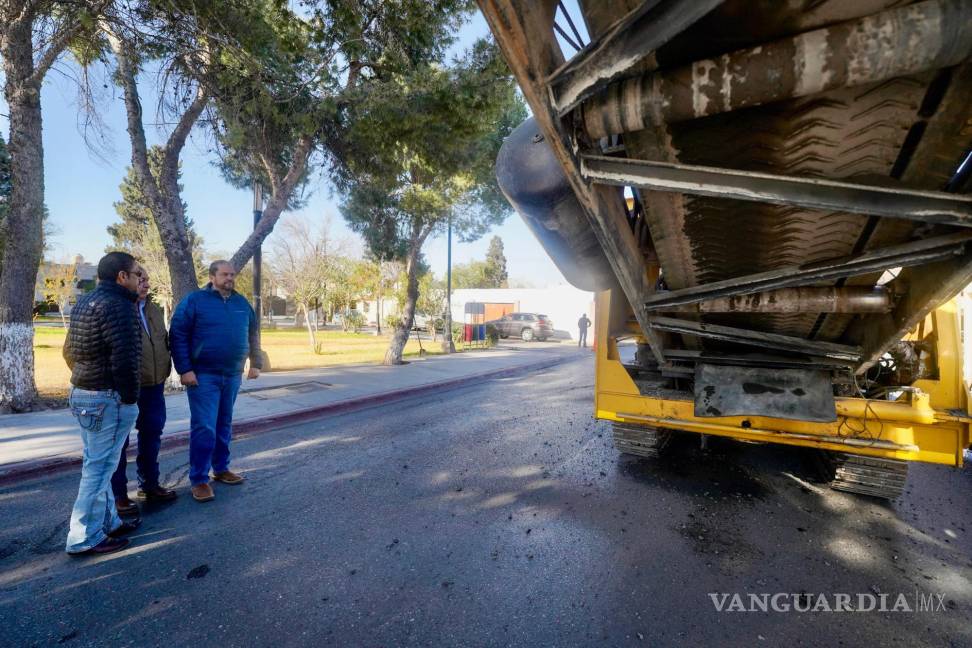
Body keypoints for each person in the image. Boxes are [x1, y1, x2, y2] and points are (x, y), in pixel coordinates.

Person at [62, 252, 143, 555]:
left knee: (99, 464)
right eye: (136, 274)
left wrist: (86, 376)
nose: (139, 280)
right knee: (98, 469)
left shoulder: (86, 301)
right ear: (121, 276)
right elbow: (125, 360)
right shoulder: (120, 305)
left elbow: (68, 351)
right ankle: (83, 537)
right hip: (107, 397)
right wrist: (130, 398)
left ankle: (108, 521)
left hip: (84, 392)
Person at [170, 260, 262, 503]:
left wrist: (256, 362)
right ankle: (199, 479)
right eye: (225, 274)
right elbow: (178, 333)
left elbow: (253, 333)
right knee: (205, 427)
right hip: (203, 376)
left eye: (232, 274)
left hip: (232, 374)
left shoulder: (241, 303)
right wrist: (184, 369)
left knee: (224, 424)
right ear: (212, 277)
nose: (230, 278)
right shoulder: (194, 301)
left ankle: (221, 468)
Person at [110, 266, 177, 514]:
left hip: (154, 387)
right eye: (141, 278)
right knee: (119, 444)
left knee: (151, 438)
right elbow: (76, 352)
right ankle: (118, 495)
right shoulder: (114, 308)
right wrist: (108, 380)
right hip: (123, 391)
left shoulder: (153, 310)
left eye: (148, 279)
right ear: (125, 279)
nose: (146, 284)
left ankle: (149, 485)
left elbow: (162, 342)